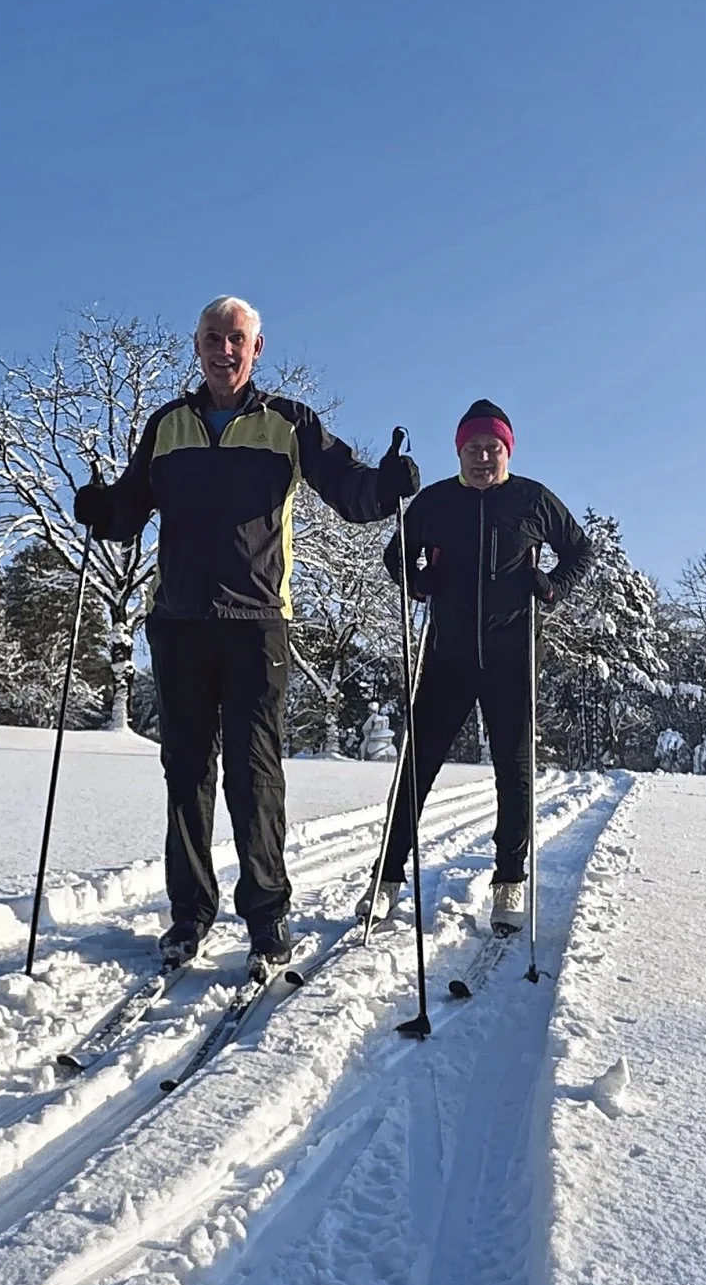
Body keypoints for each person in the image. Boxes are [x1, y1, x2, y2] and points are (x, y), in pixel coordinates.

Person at [75, 296, 417, 976]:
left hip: (257, 624)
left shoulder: (288, 422)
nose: (223, 349)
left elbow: (346, 488)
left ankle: (266, 915)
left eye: (236, 339)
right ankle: (189, 914)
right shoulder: (167, 425)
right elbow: (130, 506)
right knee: (185, 773)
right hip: (178, 624)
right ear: (196, 346)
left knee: (254, 773)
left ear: (257, 348)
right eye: (212, 337)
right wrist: (102, 509)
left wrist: (384, 488)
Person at [366, 399, 590, 934]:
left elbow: (581, 552)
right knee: (416, 768)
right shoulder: (436, 501)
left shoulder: (533, 499)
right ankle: (386, 878)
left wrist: (552, 587)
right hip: (448, 655)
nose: (483, 457)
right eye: (472, 448)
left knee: (513, 772)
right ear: (459, 452)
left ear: (507, 450)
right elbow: (397, 555)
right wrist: (419, 583)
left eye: (492, 448)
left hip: (513, 655)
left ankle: (509, 880)